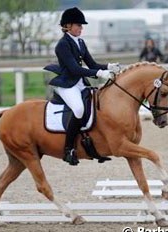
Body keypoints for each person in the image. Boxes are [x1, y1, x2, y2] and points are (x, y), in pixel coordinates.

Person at [44, 7, 120, 166]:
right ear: (68, 26)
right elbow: (74, 69)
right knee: (78, 109)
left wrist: (108, 66)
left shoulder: (80, 42)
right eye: (78, 25)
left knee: (96, 106)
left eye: (81, 25)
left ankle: (91, 145)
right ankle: (69, 149)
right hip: (67, 85)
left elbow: (91, 64)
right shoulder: (62, 45)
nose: (81, 28)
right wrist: (99, 74)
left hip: (80, 83)